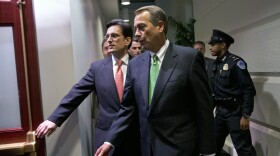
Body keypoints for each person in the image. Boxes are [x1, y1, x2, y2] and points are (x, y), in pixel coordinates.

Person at [95, 5, 216, 156]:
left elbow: (203, 108)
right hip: (147, 149)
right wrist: (109, 141)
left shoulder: (189, 58)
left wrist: (208, 152)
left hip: (180, 149)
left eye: (141, 27)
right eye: (135, 29)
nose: (136, 34)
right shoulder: (135, 64)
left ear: (160, 26)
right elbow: (128, 107)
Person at [35, 19, 141, 156]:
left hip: (135, 134)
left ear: (127, 41)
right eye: (107, 36)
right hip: (105, 135)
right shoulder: (97, 68)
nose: (109, 40)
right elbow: (76, 93)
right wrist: (54, 119)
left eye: (114, 36)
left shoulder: (141, 65)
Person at [208, 29, 256, 156]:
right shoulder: (215, 64)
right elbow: (215, 91)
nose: (210, 47)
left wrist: (245, 115)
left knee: (243, 149)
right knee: (212, 145)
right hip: (220, 112)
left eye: (213, 44)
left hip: (235, 113)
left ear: (223, 45)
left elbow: (248, 89)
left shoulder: (236, 63)